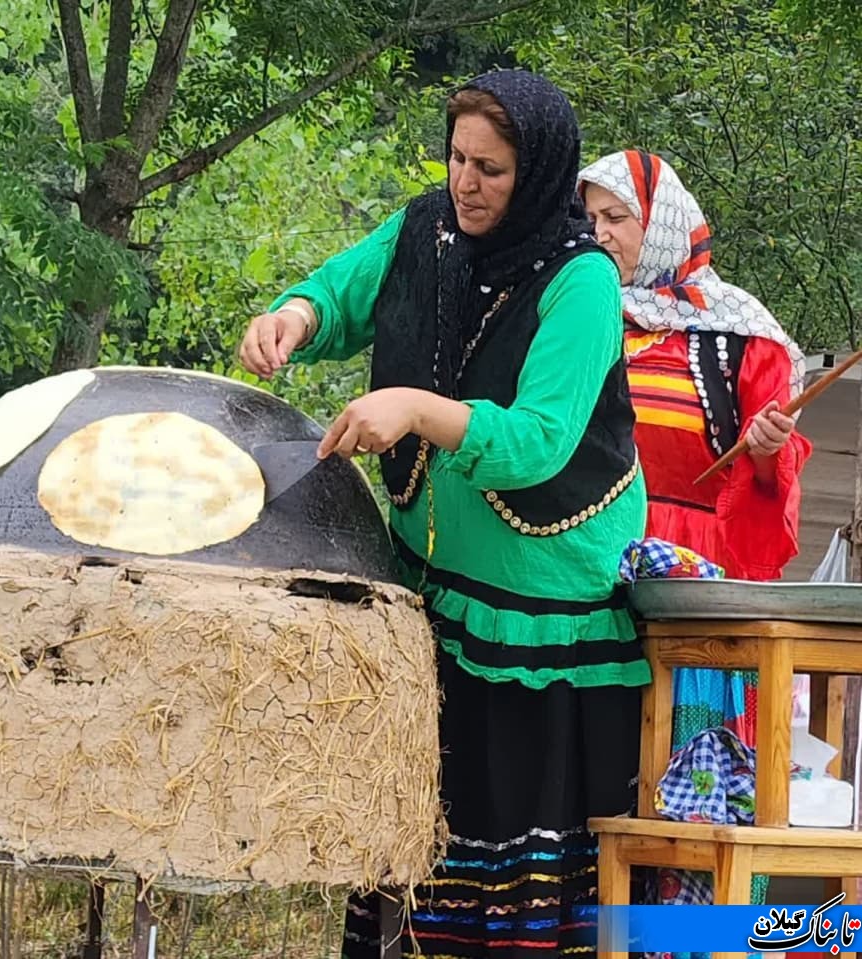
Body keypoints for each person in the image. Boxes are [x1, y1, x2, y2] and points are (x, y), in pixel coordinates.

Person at [239, 70, 647, 959]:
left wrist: (416, 409)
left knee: (517, 867)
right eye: (458, 158)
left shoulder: (582, 284)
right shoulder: (427, 228)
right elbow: (347, 289)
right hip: (435, 590)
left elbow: (539, 440)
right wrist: (295, 316)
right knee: (419, 848)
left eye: (491, 169)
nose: (466, 182)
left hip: (544, 612)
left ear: (536, 173)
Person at [578, 150, 812, 911]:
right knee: (594, 761)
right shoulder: (571, 314)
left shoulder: (742, 335)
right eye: (589, 217)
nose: (600, 232)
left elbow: (767, 491)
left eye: (617, 218)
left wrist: (769, 453)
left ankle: (683, 929)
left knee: (677, 769)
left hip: (689, 573)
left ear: (665, 228)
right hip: (582, 563)